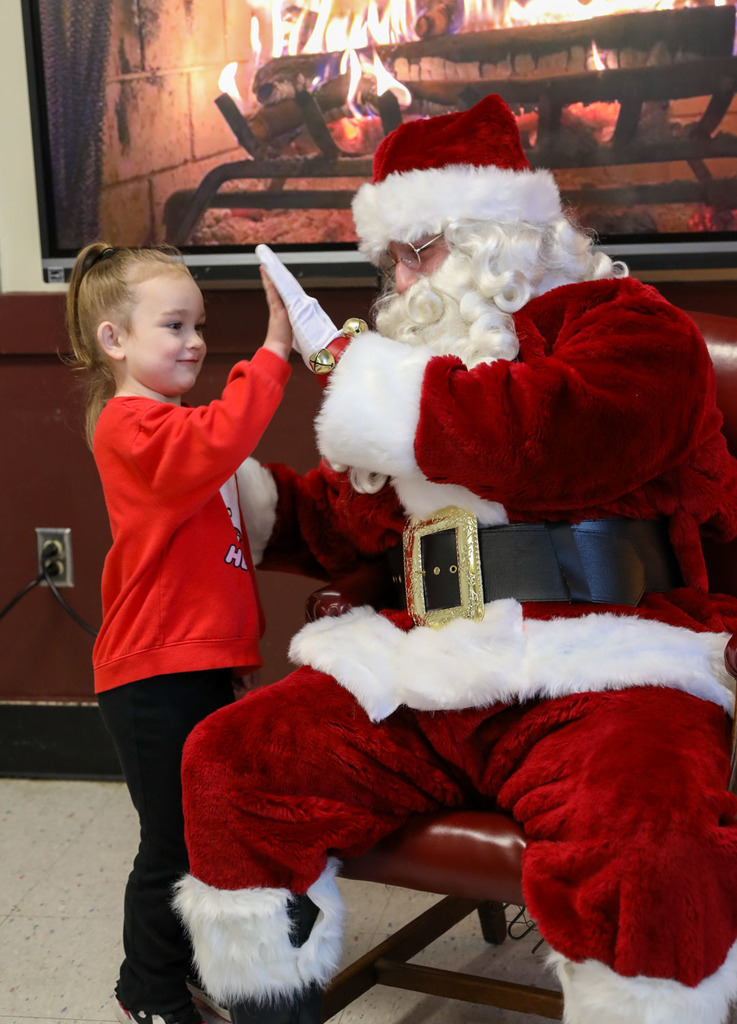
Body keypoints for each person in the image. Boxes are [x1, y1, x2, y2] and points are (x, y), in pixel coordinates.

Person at [173, 95, 737, 1024]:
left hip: (609, 666)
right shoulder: (403, 374)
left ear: (500, 235)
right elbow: (343, 519)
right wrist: (217, 486)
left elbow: (554, 436)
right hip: (427, 668)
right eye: (390, 259)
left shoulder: (632, 330)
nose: (401, 279)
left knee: (648, 849)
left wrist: (380, 390)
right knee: (233, 760)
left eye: (418, 250)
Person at [66, 242, 293, 1024]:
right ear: (115, 340)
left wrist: (233, 657)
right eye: (174, 324)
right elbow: (218, 437)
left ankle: (190, 973)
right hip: (149, 677)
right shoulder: (134, 426)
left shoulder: (170, 424)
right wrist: (271, 351)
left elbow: (217, 557)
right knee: (170, 845)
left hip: (191, 668)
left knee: (200, 838)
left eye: (198, 323)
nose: (195, 339)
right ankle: (149, 993)